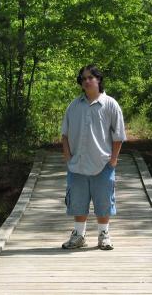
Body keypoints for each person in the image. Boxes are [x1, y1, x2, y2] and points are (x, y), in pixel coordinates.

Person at [61, 64, 126, 250]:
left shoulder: (110, 104)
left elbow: (118, 135)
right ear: (81, 84)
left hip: (102, 164)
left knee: (104, 201)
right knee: (77, 202)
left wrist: (113, 160)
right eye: (83, 79)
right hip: (77, 165)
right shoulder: (73, 106)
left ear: (98, 80)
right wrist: (68, 158)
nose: (87, 81)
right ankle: (79, 236)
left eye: (91, 77)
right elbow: (64, 134)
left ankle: (103, 235)